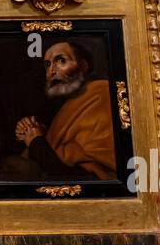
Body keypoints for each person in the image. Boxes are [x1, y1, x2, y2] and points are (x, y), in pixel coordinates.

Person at [6, 39, 117, 182]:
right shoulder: (70, 102)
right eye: (48, 65)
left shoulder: (102, 95)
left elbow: (82, 177)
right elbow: (67, 144)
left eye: (61, 61)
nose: (51, 71)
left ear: (82, 66)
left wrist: (36, 142)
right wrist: (34, 131)